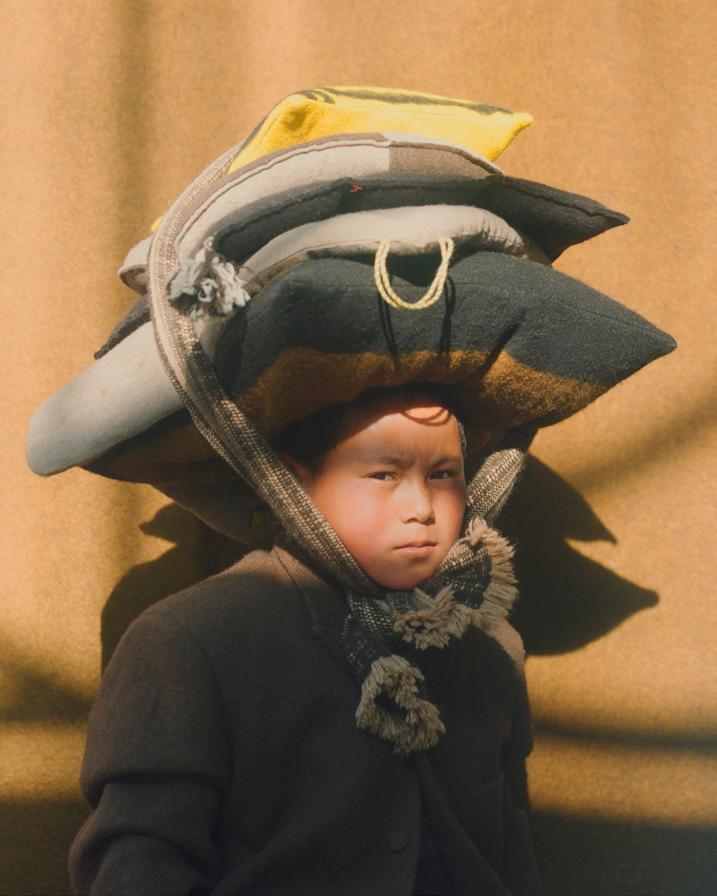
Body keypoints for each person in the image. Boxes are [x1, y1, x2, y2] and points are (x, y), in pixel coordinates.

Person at [68, 383, 541, 896]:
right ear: (295, 485)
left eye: (443, 474)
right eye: (383, 474)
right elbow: (138, 867)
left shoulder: (491, 646)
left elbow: (510, 848)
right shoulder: (190, 642)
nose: (421, 508)